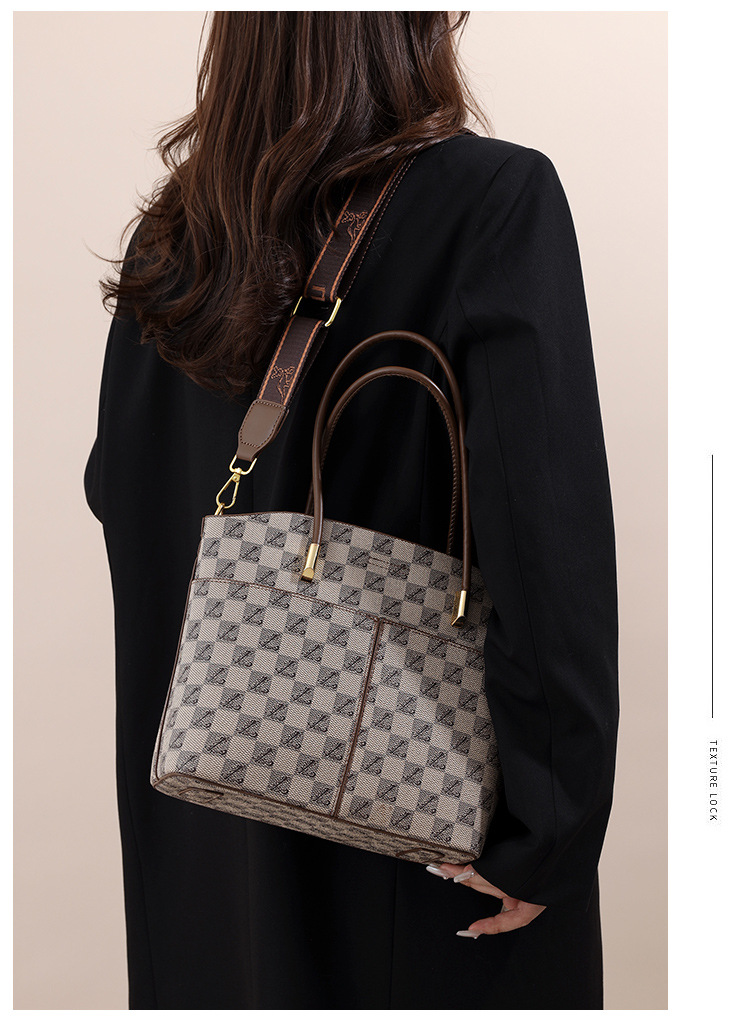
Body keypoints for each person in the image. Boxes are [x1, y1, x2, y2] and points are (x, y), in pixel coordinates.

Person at [84, 11, 619, 1010]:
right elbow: (547, 541)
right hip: (425, 863)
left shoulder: (172, 234)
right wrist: (547, 832)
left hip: (201, 869)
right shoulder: (492, 202)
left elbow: (115, 490)